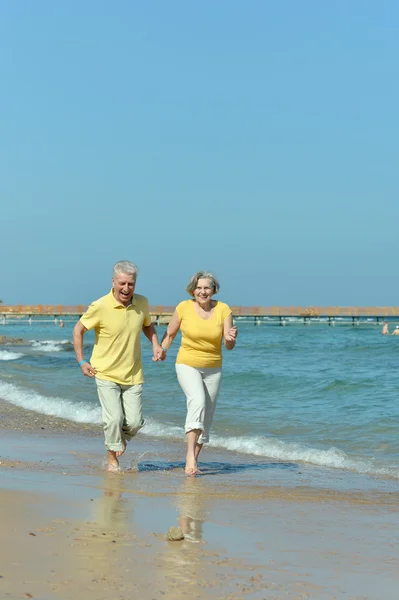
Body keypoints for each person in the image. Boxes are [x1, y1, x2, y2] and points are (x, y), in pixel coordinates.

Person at [72, 260, 165, 471]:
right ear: (113, 281)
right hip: (105, 372)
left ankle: (118, 441)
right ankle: (112, 459)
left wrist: (156, 345)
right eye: (122, 283)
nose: (126, 288)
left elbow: (147, 325)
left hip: (133, 373)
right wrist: (81, 361)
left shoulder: (142, 303)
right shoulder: (100, 305)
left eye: (131, 284)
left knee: (134, 423)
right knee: (113, 419)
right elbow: (78, 330)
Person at [161, 271, 237, 475]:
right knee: (198, 401)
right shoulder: (184, 307)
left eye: (207, 288)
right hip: (187, 363)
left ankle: (194, 458)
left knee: (207, 415)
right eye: (199, 287)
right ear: (192, 289)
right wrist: (162, 349)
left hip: (213, 368)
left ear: (214, 290)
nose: (203, 291)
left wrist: (230, 338)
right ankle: (189, 458)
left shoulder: (223, 310)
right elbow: (170, 333)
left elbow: (229, 345)